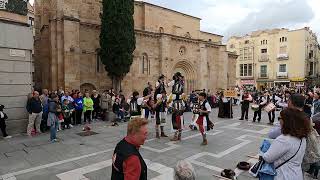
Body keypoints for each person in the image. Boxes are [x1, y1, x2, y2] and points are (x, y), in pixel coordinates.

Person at [262, 108, 310, 180]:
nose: (279, 121)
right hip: (296, 174)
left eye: (279, 118)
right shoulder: (302, 138)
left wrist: (265, 150)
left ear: (287, 121)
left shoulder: (283, 139)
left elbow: (268, 158)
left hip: (283, 175)